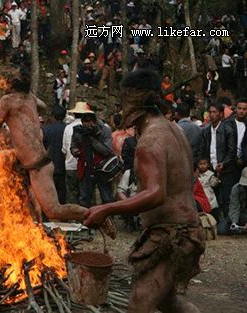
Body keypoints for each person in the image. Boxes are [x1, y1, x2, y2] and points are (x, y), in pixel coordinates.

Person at [84, 70, 205, 313]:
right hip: (188, 229)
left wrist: (106, 208)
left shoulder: (150, 141)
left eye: (124, 100)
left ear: (135, 102)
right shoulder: (174, 131)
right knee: (168, 301)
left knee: (139, 304)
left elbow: (156, 193)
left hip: (172, 235)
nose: (121, 107)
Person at [0, 78, 116, 238]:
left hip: (38, 167)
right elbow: (40, 106)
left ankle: (97, 215)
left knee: (54, 210)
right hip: (35, 163)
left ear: (10, 86)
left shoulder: (8, 100)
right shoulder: (29, 98)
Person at [198, 102, 236, 221]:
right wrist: (204, 166)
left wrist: (224, 163)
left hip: (226, 170)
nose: (212, 114)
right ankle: (213, 221)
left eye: (214, 112)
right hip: (210, 170)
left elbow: (232, 151)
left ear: (220, 114)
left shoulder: (227, 130)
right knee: (210, 197)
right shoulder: (206, 131)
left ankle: (226, 223)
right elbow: (202, 150)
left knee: (225, 198)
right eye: (210, 112)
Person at [70, 109, 114, 207]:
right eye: (85, 122)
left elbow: (107, 151)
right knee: (84, 198)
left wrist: (91, 140)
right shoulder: (78, 130)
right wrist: (75, 151)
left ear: (94, 122)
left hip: (102, 168)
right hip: (85, 167)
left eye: (90, 122)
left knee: (106, 198)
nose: (88, 125)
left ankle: (108, 220)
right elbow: (73, 146)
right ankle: (85, 220)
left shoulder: (104, 130)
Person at [42, 106, 67, 204]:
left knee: (49, 191)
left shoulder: (46, 130)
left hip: (49, 164)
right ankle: (63, 215)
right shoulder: (67, 129)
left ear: (52, 116)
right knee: (62, 191)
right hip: (63, 164)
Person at [62, 104, 83, 204]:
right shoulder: (88, 128)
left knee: (72, 193)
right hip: (85, 167)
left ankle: (73, 217)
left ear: (74, 114)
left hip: (70, 165)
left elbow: (64, 150)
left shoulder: (68, 128)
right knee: (84, 193)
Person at [223, 168, 247, 234]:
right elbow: (234, 206)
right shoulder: (236, 188)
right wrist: (234, 222)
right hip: (241, 213)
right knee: (222, 229)